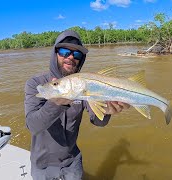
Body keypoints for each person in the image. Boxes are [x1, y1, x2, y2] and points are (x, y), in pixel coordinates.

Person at [24, 29, 130, 180]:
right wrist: (56, 103)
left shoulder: (82, 84)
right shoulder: (36, 83)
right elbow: (33, 125)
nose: (71, 57)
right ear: (55, 54)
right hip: (42, 166)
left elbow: (98, 121)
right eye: (65, 51)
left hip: (72, 163)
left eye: (77, 54)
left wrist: (107, 111)